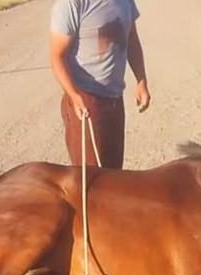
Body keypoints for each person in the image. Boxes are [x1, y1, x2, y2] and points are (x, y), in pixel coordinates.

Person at [49, 0, 150, 169]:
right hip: (86, 102)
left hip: (115, 100)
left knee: (114, 173)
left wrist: (141, 81)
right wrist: (74, 95)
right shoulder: (72, 4)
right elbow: (57, 56)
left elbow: (132, 41)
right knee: (91, 177)